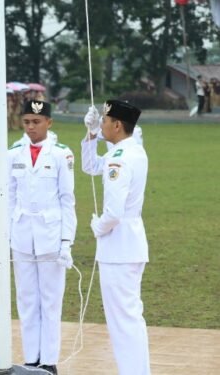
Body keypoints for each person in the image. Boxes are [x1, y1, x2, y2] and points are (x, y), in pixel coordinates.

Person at [82, 100, 150, 375]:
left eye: (105, 121)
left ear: (117, 125)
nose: (102, 125)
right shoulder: (133, 150)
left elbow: (113, 212)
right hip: (129, 245)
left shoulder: (119, 158)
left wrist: (98, 226)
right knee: (130, 319)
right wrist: (90, 135)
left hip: (119, 247)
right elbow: (90, 166)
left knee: (123, 323)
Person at [8, 100, 75, 375]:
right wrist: (5, 236)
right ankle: (31, 358)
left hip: (50, 234)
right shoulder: (13, 152)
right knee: (26, 299)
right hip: (22, 233)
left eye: (36, 122)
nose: (31, 127)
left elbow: (67, 199)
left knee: (50, 300)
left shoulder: (61, 154)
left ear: (49, 122)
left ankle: (48, 359)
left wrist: (66, 241)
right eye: (26, 122)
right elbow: (9, 196)